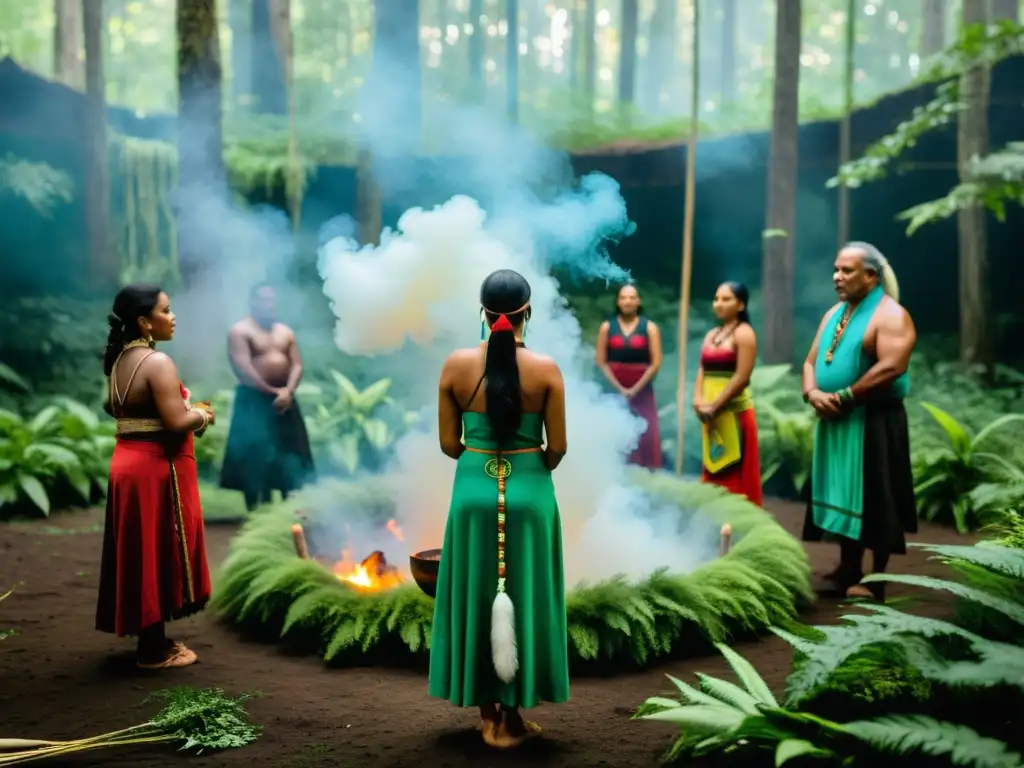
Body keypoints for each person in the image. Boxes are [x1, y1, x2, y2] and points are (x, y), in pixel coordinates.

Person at [429, 269, 570, 749]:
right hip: (530, 492)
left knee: (475, 591)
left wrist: (484, 458)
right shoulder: (547, 370)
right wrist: (529, 466)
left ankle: (487, 715)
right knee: (526, 595)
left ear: (484, 313)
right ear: (527, 312)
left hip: (472, 491)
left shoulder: (454, 365)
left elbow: (450, 445)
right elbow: (559, 448)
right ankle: (513, 714)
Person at [95, 284, 215, 669]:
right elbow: (176, 421)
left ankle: (152, 639)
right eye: (166, 310)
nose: (173, 316)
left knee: (141, 550)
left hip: (128, 463)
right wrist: (202, 415)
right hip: (152, 468)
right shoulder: (157, 363)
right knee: (155, 548)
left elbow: (117, 408)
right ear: (145, 321)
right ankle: (153, 651)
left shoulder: (118, 361)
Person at [801, 242, 918, 601]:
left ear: (870, 275)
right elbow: (809, 362)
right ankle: (848, 566)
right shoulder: (834, 313)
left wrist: (847, 396)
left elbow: (892, 366)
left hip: (874, 421)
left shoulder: (891, 315)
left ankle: (876, 578)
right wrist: (813, 394)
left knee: (876, 494)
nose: (837, 277)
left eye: (846, 271)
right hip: (836, 419)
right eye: (835, 270)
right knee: (839, 491)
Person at [219, 283, 316, 511]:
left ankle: (289, 510)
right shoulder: (240, 331)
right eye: (263, 300)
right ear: (252, 302)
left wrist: (288, 391)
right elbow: (242, 367)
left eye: (272, 300)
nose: (268, 304)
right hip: (254, 400)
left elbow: (297, 365)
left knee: (289, 453)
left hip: (285, 398)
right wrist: (273, 392)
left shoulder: (285, 332)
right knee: (254, 457)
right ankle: (256, 510)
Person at [693, 281, 764, 506]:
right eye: (716, 299)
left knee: (733, 476)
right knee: (713, 467)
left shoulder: (745, 334)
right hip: (710, 415)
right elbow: (702, 369)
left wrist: (715, 407)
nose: (719, 304)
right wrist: (697, 402)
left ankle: (734, 529)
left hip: (734, 414)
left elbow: (742, 377)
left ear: (740, 304)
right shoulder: (712, 334)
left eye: (726, 299)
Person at [594, 283, 663, 469]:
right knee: (612, 427)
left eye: (632, 297)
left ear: (638, 301)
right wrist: (619, 388)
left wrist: (635, 389)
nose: (628, 301)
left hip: (642, 386)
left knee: (646, 430)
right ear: (617, 301)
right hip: (613, 386)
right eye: (623, 297)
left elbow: (655, 363)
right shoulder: (607, 327)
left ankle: (647, 470)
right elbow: (601, 361)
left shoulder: (650, 328)